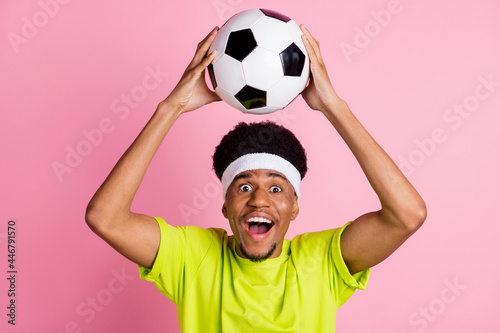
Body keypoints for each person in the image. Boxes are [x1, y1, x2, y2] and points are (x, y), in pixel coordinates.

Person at [85, 25, 426, 332]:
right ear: (225, 206)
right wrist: (169, 108)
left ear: (295, 207)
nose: (259, 200)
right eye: (244, 186)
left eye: (276, 187)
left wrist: (334, 106)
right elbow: (105, 218)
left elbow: (407, 215)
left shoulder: (322, 262)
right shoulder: (194, 257)